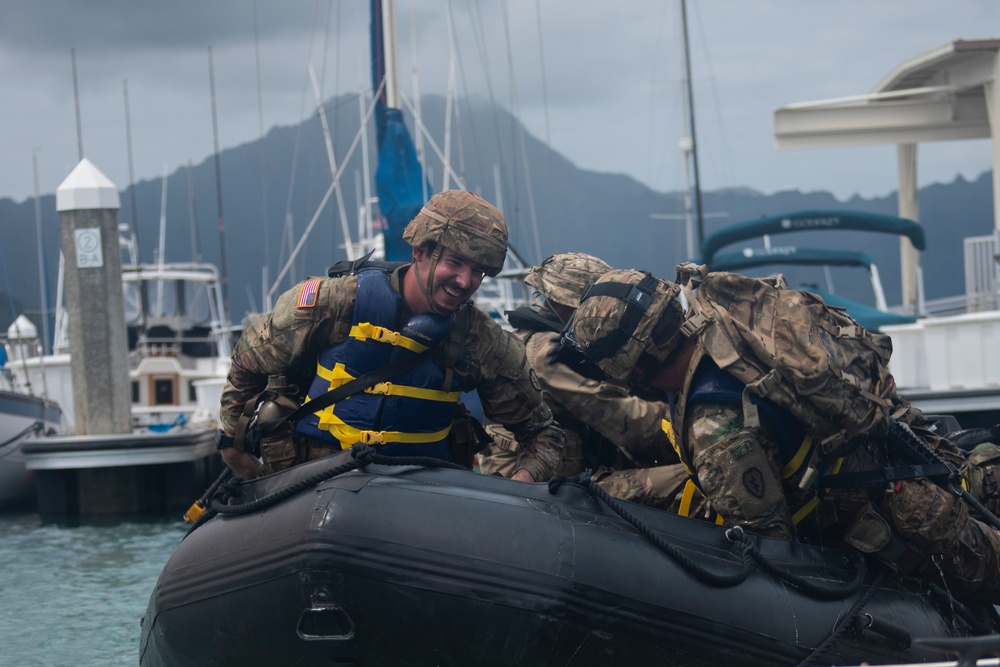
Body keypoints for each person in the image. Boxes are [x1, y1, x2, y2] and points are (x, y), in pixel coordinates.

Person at [565, 266, 1000, 602]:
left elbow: (771, 547)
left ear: (633, 363)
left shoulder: (715, 430)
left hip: (899, 520)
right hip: (905, 452)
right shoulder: (726, 316)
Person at [215, 189, 564, 483]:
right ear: (420, 252)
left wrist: (520, 485)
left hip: (419, 501)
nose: (464, 281)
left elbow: (543, 434)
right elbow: (248, 360)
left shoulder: (483, 342)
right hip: (312, 485)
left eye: (478, 272)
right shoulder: (335, 303)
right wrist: (232, 442)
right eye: (455, 262)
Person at [479, 252, 705, 514]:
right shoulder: (545, 353)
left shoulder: (565, 346)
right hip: (546, 493)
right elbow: (626, 420)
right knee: (696, 480)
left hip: (571, 480)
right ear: (570, 305)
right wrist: (696, 421)